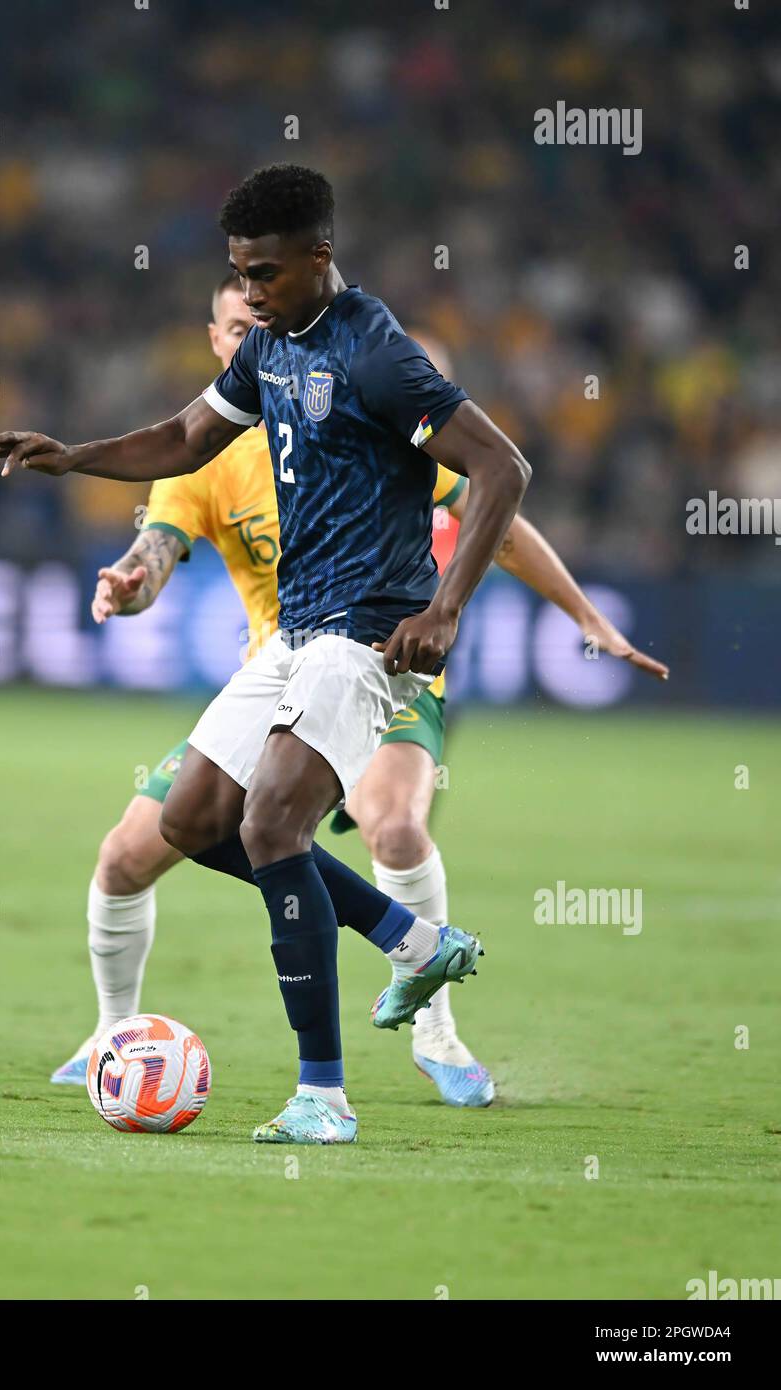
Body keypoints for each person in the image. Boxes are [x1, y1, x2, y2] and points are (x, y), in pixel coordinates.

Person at [0, 162, 535, 1144]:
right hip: (292, 634)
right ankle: (411, 939)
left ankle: (323, 1094)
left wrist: (446, 609)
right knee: (193, 819)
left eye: (267, 273)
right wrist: (75, 455)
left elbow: (501, 465)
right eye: (238, 274)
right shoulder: (269, 346)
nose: (251, 292)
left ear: (320, 255)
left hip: (369, 630)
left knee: (275, 826)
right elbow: (186, 435)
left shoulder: (376, 350)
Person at [50, 288, 669, 1114]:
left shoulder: (353, 396)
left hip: (382, 657)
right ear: (217, 341)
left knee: (392, 824)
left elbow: (502, 509)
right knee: (136, 850)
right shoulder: (220, 447)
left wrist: (582, 612)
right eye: (239, 327)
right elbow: (156, 542)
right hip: (279, 665)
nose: (257, 336)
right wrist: (133, 581)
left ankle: (429, 1034)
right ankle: (113, 1032)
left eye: (263, 319)